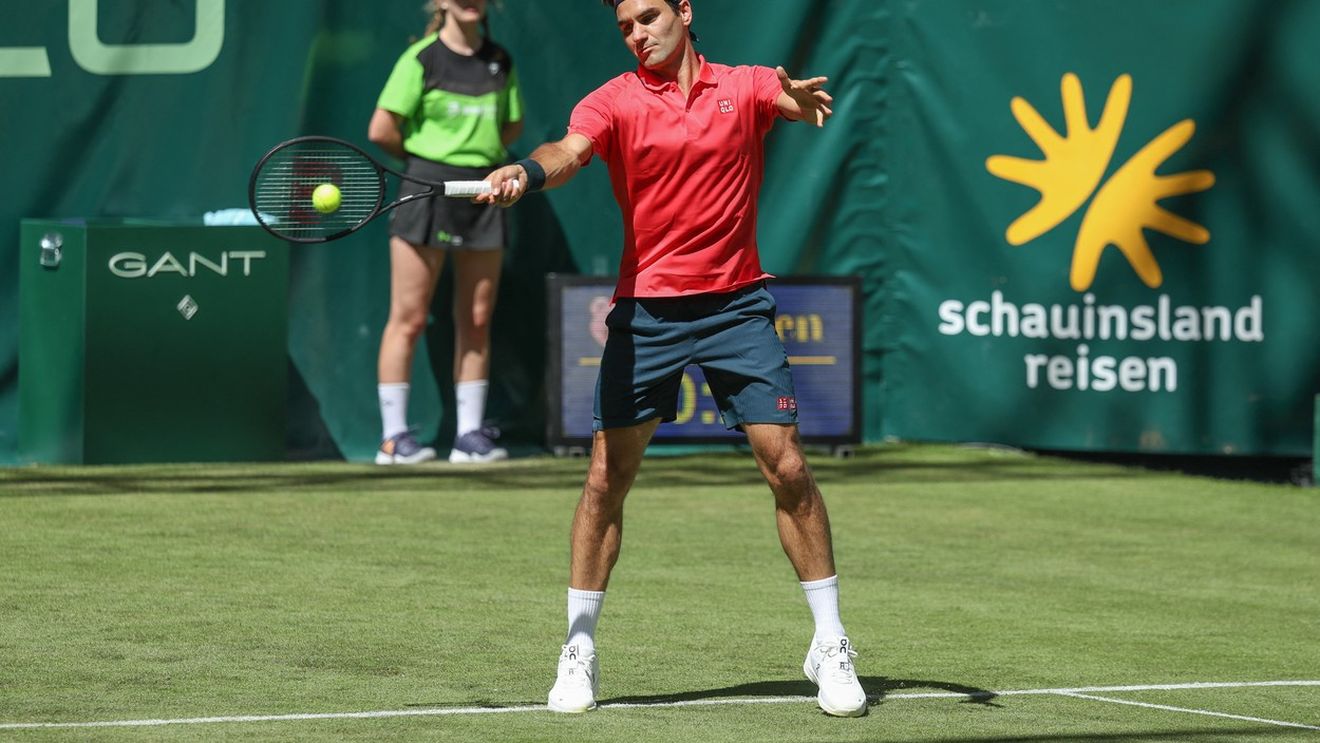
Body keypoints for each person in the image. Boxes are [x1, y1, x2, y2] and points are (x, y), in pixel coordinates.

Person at [477, 0, 867, 718]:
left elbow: (780, 96)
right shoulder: (615, 100)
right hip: (648, 312)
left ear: (684, 13)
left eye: (649, 16)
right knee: (605, 478)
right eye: (625, 26)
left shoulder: (743, 84)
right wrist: (528, 174)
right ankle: (579, 646)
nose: (638, 33)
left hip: (736, 308)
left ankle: (832, 641)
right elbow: (570, 150)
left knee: (787, 465)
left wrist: (794, 97)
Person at [367, 0, 523, 464]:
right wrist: (427, 161)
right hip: (427, 190)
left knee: (476, 318)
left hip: (485, 191)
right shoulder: (421, 58)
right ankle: (393, 438)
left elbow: (510, 127)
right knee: (409, 317)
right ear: (440, 2)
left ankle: (469, 436)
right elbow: (382, 129)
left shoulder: (501, 61)